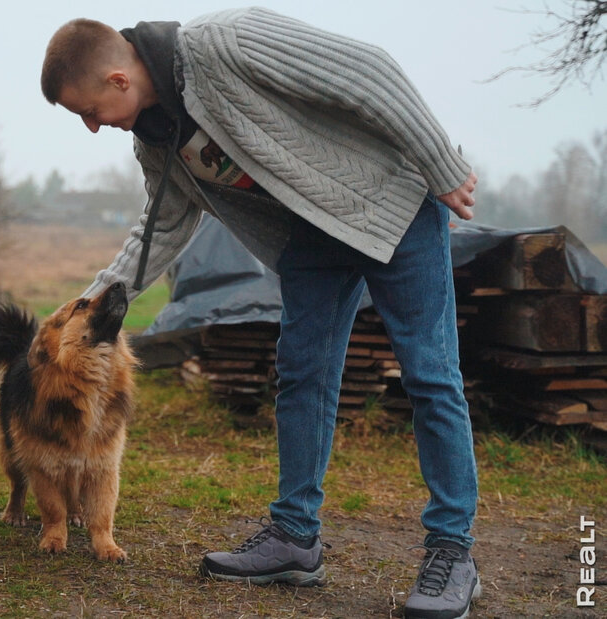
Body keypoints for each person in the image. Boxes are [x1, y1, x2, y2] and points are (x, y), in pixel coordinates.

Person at [41, 8, 480, 619]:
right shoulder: (155, 136)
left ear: (117, 80)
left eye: (86, 111)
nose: (90, 127)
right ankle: (295, 539)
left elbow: (369, 72)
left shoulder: (227, 42)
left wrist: (440, 161)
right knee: (301, 378)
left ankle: (452, 551)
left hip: (391, 206)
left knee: (430, 376)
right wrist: (84, 309)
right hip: (313, 242)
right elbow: (162, 225)